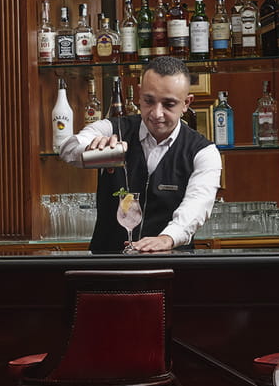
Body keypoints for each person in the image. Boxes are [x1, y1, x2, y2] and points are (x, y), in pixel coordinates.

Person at [59, 56, 222, 253]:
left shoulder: (203, 152)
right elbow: (68, 149)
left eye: (169, 104)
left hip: (171, 263)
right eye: (149, 101)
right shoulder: (113, 128)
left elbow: (197, 205)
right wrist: (91, 149)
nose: (156, 113)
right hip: (108, 262)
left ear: (186, 103)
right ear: (139, 94)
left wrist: (168, 238)